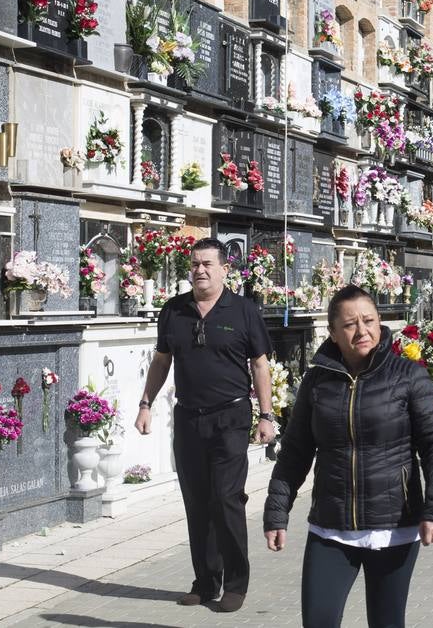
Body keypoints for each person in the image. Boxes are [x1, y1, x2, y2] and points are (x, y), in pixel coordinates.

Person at [263, 285, 433, 628]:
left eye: (369, 320)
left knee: (386, 622)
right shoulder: (317, 381)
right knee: (318, 621)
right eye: (350, 324)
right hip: (331, 526)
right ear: (333, 333)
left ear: (380, 323)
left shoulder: (408, 376)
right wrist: (277, 512)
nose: (362, 330)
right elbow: (295, 452)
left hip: (394, 525)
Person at [135, 237, 275, 612]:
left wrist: (266, 414)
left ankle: (236, 583)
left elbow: (259, 364)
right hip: (188, 418)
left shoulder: (243, 311)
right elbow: (162, 360)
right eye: (195, 264)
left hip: (230, 416)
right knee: (197, 502)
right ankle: (205, 580)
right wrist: (145, 403)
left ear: (225, 269)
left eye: (207, 264)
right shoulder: (174, 310)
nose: (199, 270)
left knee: (225, 499)